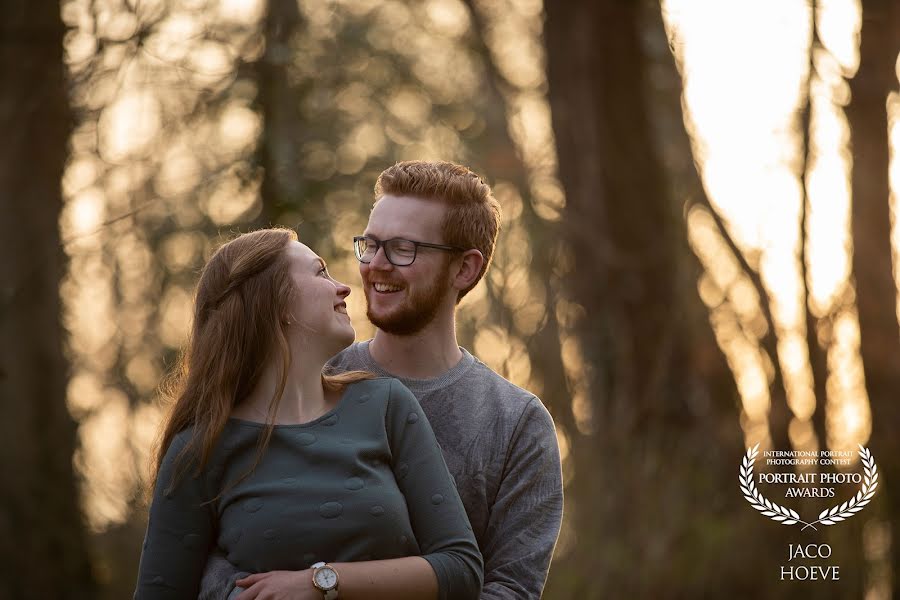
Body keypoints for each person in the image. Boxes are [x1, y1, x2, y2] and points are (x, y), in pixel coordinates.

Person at [202, 161, 563, 599]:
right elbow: (204, 550)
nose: (375, 265)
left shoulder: (516, 423)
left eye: (403, 249)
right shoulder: (302, 383)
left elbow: (510, 590)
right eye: (370, 245)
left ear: (465, 270)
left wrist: (323, 585)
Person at [134, 228, 483, 599]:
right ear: (274, 302)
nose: (344, 288)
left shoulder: (385, 406)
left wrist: (320, 582)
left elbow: (461, 568)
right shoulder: (200, 450)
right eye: (320, 272)